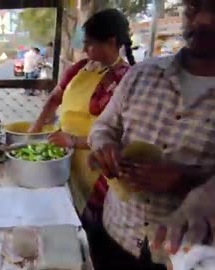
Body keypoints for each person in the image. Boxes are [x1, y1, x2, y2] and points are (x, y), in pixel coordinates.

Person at [87, 0, 215, 269]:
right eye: (193, 8)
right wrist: (105, 144)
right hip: (116, 232)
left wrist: (188, 182)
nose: (202, 20)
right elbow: (103, 126)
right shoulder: (142, 74)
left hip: (184, 255)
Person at [29, 8, 135, 242]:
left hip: (97, 165)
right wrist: (36, 126)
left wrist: (73, 140)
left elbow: (121, 136)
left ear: (111, 42)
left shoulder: (125, 79)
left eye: (90, 44)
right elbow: (55, 97)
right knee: (69, 209)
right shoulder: (80, 68)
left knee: (95, 231)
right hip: (69, 158)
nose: (84, 49)